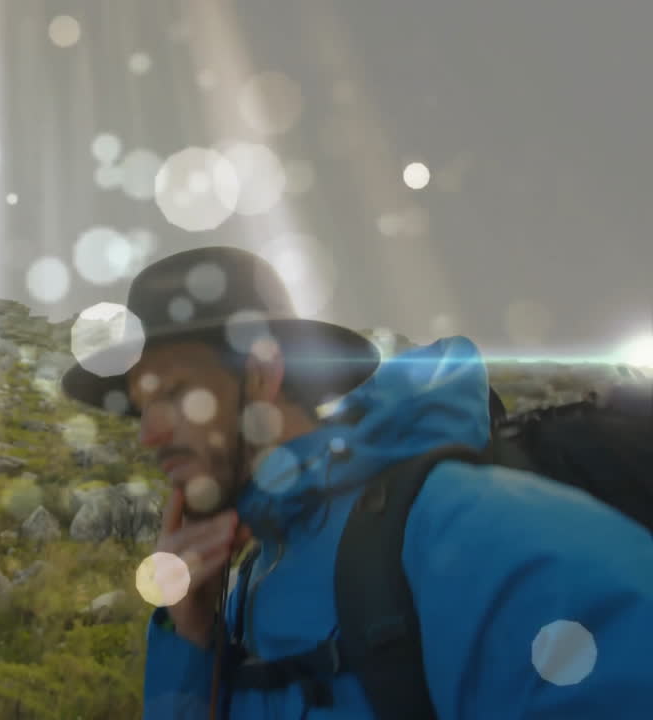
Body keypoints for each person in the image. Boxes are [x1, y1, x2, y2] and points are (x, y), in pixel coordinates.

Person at [58, 246, 653, 718]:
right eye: (142, 407)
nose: (148, 435)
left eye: (175, 394)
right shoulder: (247, 576)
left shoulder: (469, 534)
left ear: (263, 374)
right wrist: (191, 639)